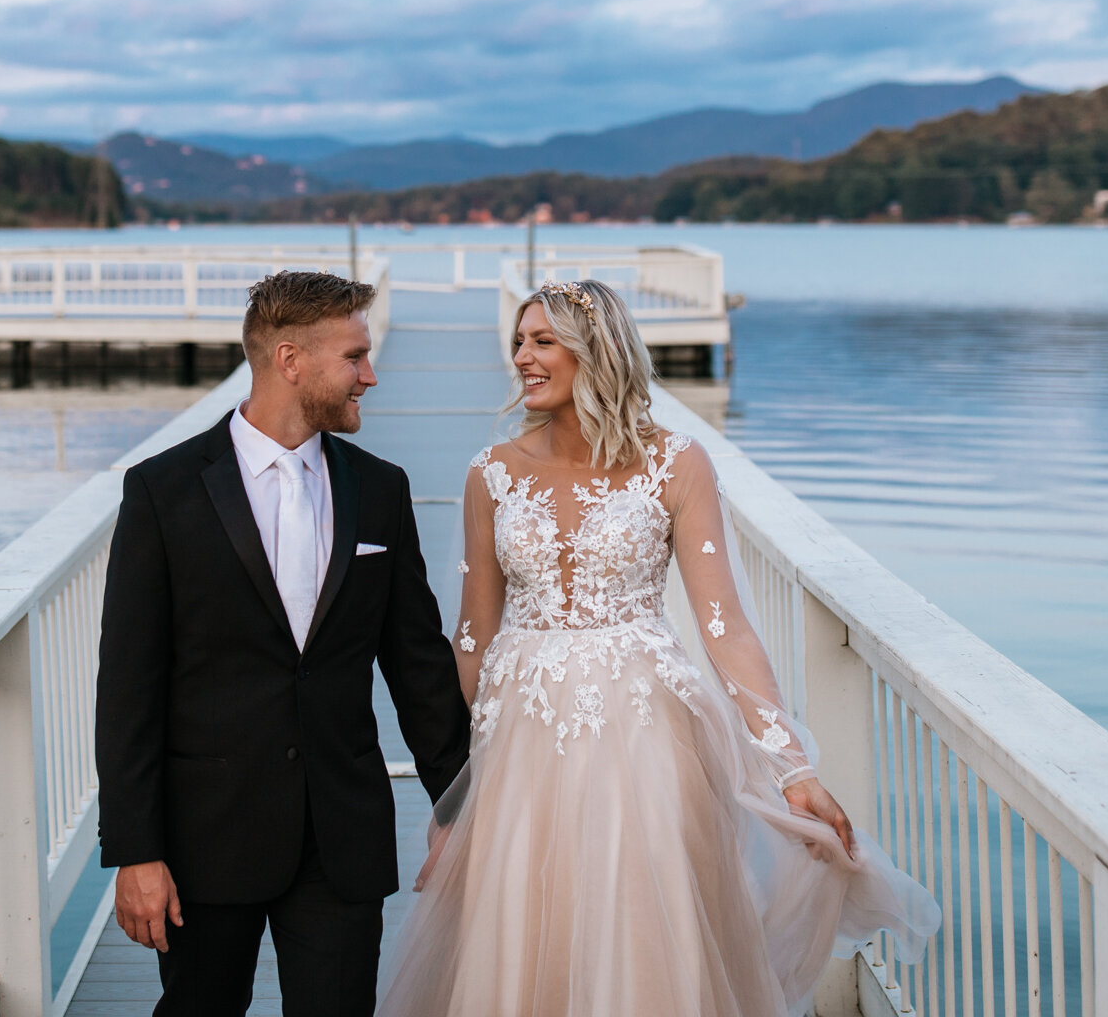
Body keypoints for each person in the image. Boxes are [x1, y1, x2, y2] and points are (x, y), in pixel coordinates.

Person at [379, 279, 939, 1017]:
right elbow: (473, 639)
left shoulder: (678, 464)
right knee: (521, 926)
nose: (522, 357)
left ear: (595, 350)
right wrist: (459, 800)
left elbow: (725, 627)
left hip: (645, 735)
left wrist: (792, 769)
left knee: (640, 920)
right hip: (520, 744)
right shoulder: (492, 472)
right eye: (519, 341)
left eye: (542, 341)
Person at [95, 270, 469, 1017]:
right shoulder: (162, 491)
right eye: (355, 357)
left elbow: (419, 668)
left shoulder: (381, 490)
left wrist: (462, 813)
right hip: (205, 836)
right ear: (290, 360)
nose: (371, 374)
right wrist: (136, 850)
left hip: (341, 838)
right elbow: (129, 686)